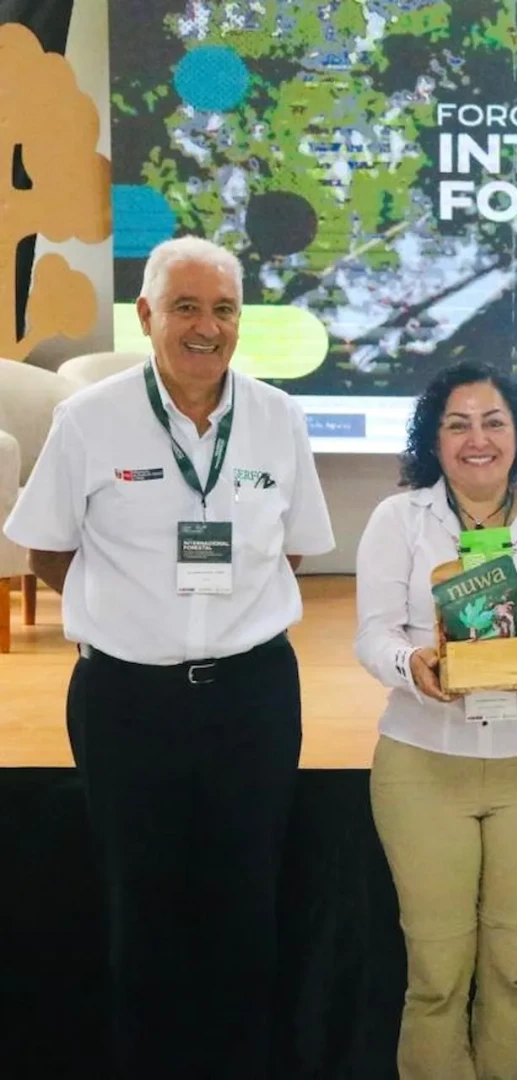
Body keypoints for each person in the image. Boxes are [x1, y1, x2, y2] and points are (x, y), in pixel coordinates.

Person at [1, 235, 334, 1078]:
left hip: (251, 700)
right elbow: (44, 548)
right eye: (186, 307)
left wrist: (221, 614)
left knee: (248, 924)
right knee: (140, 925)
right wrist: (132, 613)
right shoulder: (91, 418)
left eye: (224, 310)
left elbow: (288, 548)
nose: (206, 328)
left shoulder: (277, 418)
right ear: (146, 315)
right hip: (126, 704)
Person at [354, 361, 517, 1080]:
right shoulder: (398, 520)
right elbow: (372, 633)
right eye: (456, 424)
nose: (477, 439)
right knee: (435, 974)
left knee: (514, 968)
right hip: (422, 768)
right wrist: (412, 666)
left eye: (494, 422)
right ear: (432, 441)